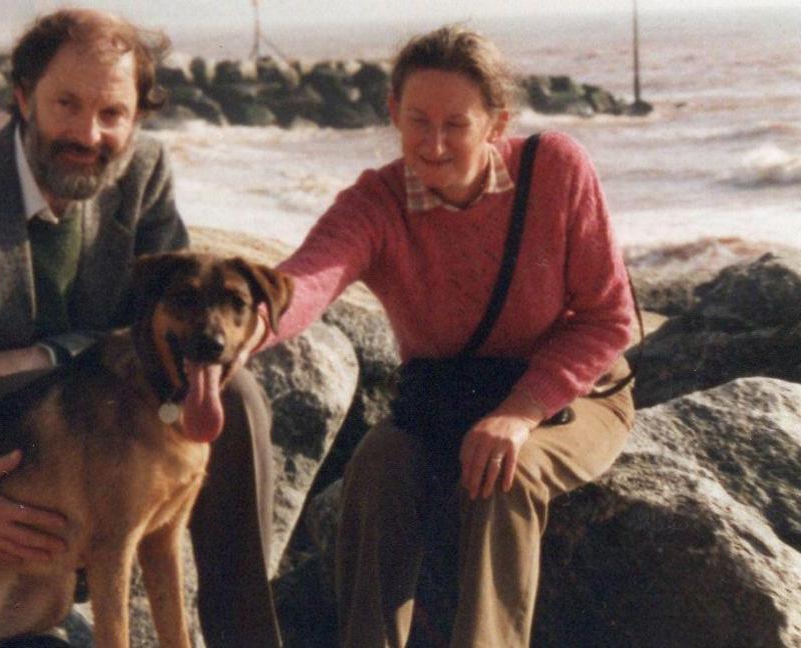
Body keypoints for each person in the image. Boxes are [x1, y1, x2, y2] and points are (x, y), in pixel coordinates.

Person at [0, 10, 281, 647]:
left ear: (138, 118)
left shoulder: (141, 176)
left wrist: (47, 354)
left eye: (113, 113)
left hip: (100, 513)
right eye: (66, 103)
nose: (89, 133)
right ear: (22, 98)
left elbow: (172, 328)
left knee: (237, 395)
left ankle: (245, 638)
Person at [255, 26, 636, 648]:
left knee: (502, 474)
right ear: (392, 114)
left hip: (574, 396)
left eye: (456, 124)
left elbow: (610, 318)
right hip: (446, 400)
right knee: (377, 464)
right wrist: (237, 327)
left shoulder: (556, 169)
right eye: (417, 121)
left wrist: (518, 413)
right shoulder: (376, 202)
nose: (433, 144)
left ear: (496, 123)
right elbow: (308, 280)